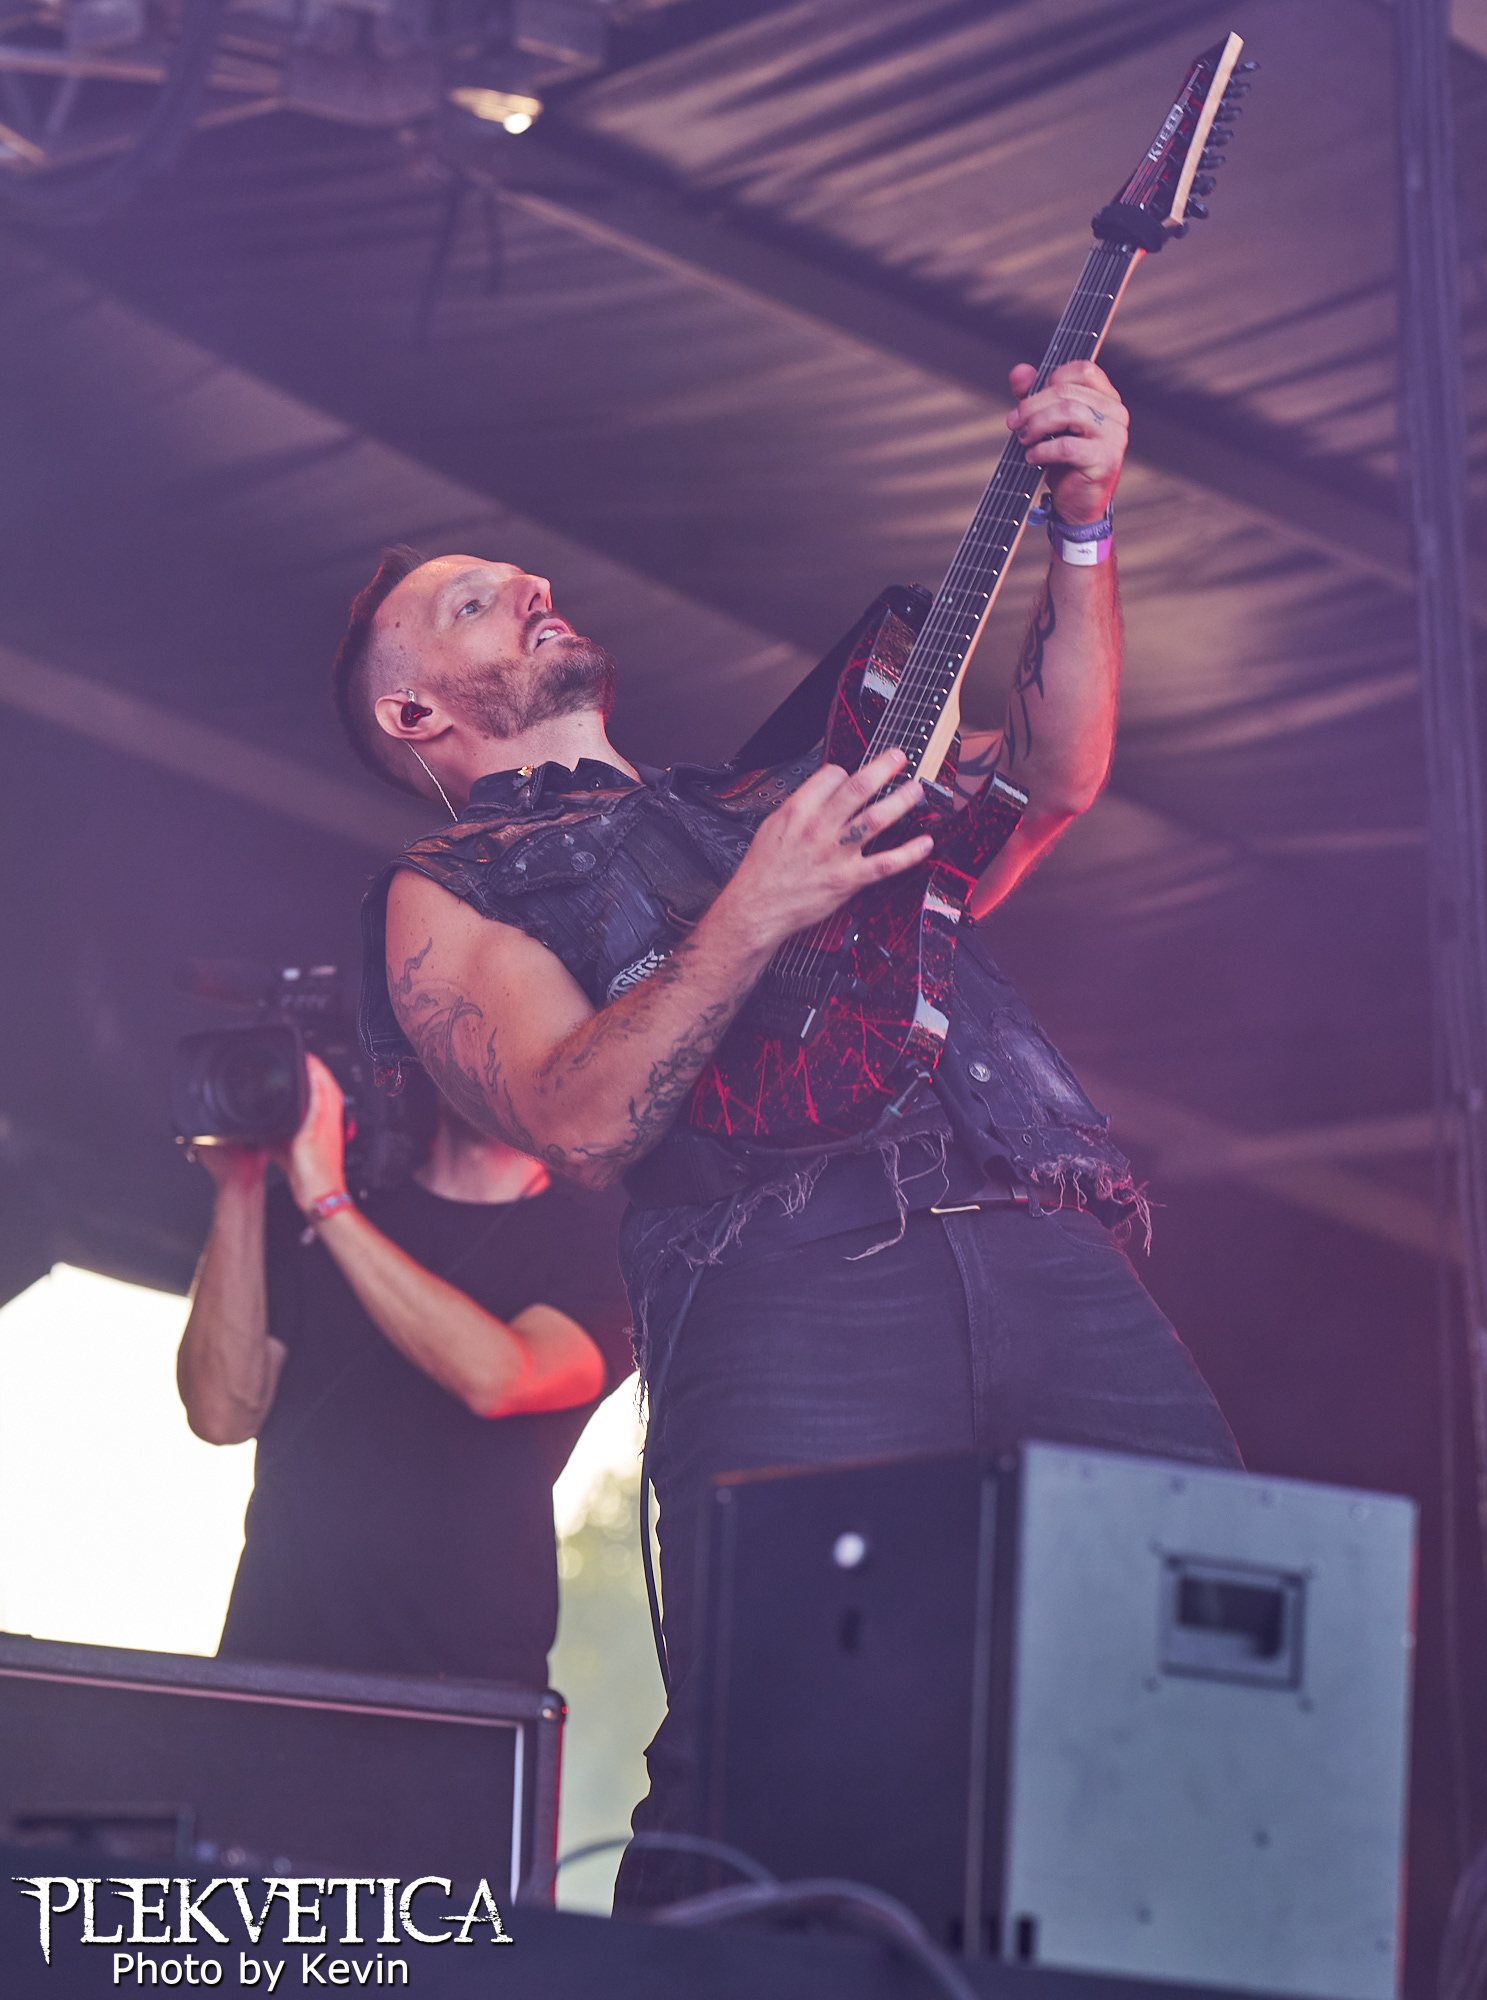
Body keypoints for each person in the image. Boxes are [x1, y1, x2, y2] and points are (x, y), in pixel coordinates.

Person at [336, 360, 1239, 1902]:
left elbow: (1051, 779)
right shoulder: (449, 890)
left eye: (522, 578)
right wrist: (757, 910)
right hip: (791, 1280)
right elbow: (578, 1116)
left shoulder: (764, 790)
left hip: (1041, 1238)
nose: (531, 589)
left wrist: (1085, 524)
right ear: (413, 709)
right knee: (782, 1756)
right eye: (476, 602)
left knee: (1210, 1658)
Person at [180, 1051, 631, 1689]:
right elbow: (221, 1415)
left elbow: (501, 1378)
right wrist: (242, 1186)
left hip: (462, 1685)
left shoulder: (601, 1246)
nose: (487, 1049)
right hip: (271, 1661)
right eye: (469, 1027)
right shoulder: (304, 1206)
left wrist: (327, 1203)